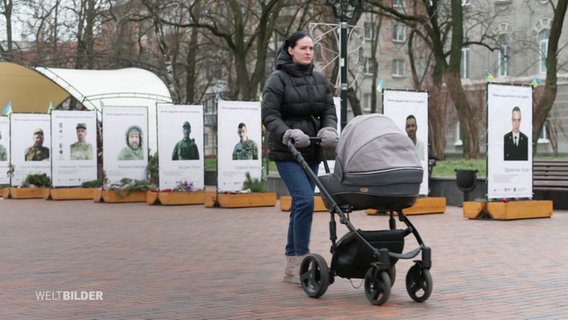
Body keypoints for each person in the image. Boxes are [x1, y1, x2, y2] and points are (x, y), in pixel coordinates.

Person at [261, 31, 338, 284]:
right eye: (303, 48)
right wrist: (288, 133)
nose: (308, 52)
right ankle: (298, 259)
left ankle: (291, 264)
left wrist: (328, 129)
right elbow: (269, 114)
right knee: (304, 200)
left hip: (312, 149)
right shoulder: (277, 79)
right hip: (287, 151)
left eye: (311, 49)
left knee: (300, 203)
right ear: (290, 50)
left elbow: (328, 109)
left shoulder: (319, 78)